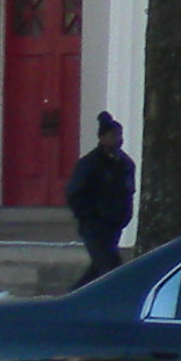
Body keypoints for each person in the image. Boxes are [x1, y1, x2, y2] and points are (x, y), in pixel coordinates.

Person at [64, 113, 135, 282]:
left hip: (114, 225)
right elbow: (74, 193)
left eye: (120, 135)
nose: (118, 140)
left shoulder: (125, 164)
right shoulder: (89, 164)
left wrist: (124, 216)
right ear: (102, 138)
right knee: (110, 266)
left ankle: (76, 297)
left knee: (98, 267)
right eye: (113, 136)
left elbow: (128, 191)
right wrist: (90, 216)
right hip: (94, 227)